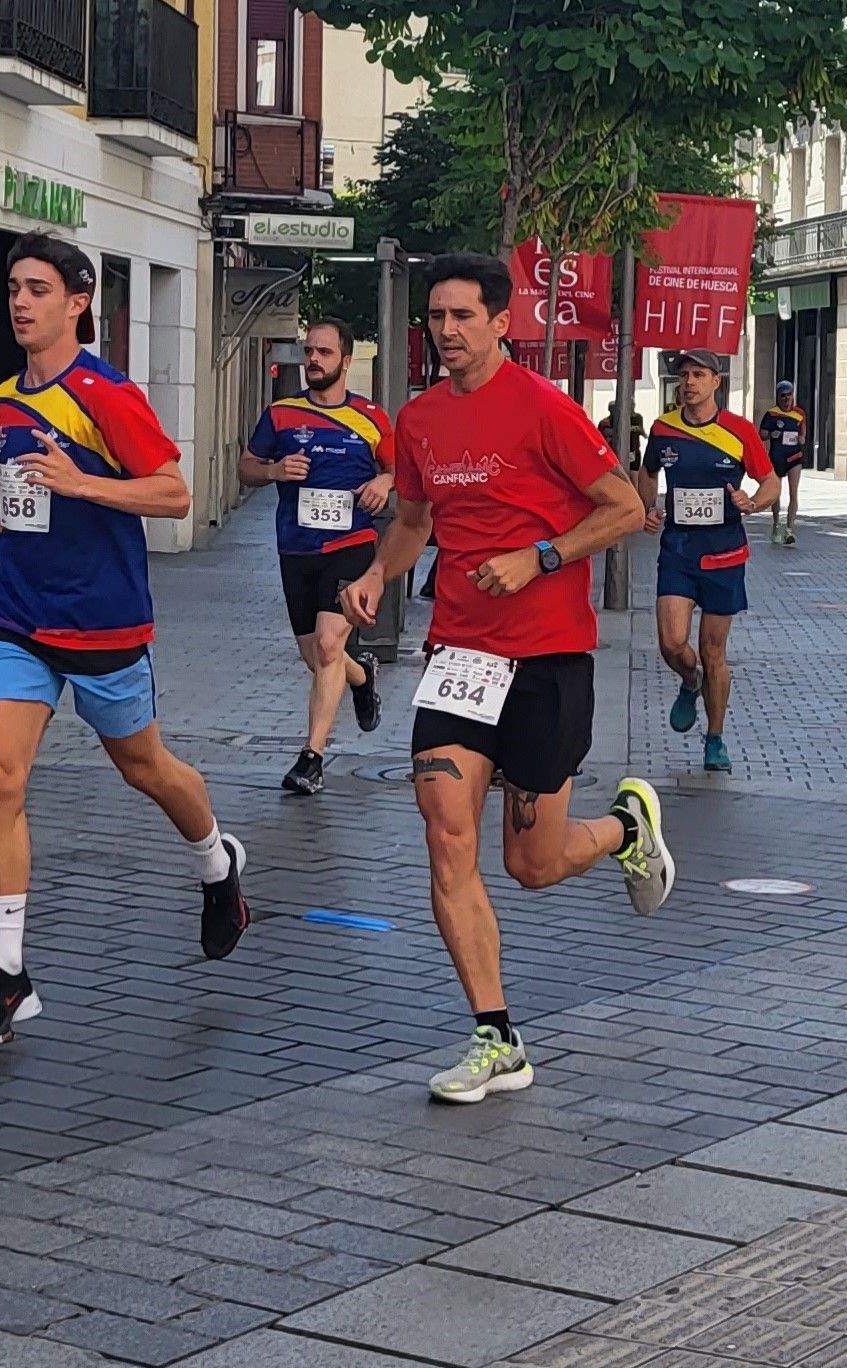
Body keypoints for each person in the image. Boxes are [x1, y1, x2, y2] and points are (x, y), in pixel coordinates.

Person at [341, 253, 677, 1105]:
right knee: (444, 830)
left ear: (501, 321)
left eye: (462, 316)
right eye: (436, 317)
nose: (446, 331)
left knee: (530, 864)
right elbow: (417, 516)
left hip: (548, 657)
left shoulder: (544, 410)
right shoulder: (415, 419)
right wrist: (382, 576)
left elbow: (627, 509)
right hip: (460, 656)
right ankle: (496, 1036)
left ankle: (625, 830)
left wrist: (540, 557)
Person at [0, 235, 247, 1047]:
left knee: (144, 766)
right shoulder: (5, 400)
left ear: (77, 303)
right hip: (16, 616)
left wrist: (83, 481)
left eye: (37, 289)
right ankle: (7, 975)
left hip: (105, 619)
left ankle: (217, 862)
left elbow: (176, 494)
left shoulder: (105, 392)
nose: (18, 302)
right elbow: (30, 499)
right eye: (12, 287)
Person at [240, 318, 391, 795]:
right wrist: (273, 469)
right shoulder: (281, 414)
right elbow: (246, 468)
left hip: (350, 545)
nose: (313, 361)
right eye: (309, 351)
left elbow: (401, 469)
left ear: (345, 361)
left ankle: (312, 757)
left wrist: (385, 482)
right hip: (296, 547)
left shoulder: (370, 416)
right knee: (315, 655)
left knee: (329, 643)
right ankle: (361, 676)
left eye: (324, 353)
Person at [641, 351, 779, 774]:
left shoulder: (738, 431)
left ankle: (715, 739)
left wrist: (753, 503)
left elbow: (770, 480)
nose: (689, 383)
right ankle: (689, 681)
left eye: (698, 375)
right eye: (684, 376)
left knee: (713, 651)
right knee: (671, 642)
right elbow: (648, 473)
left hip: (724, 555)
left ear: (716, 381)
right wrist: (645, 507)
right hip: (678, 551)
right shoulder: (664, 428)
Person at [758, 382, 811, 546]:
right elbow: (762, 434)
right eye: (783, 395)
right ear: (778, 397)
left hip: (794, 457)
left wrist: (801, 439)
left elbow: (803, 434)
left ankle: (789, 529)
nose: (787, 398)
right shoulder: (772, 414)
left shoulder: (800, 413)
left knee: (793, 493)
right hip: (777, 457)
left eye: (789, 395)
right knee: (776, 493)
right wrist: (770, 433)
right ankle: (776, 524)